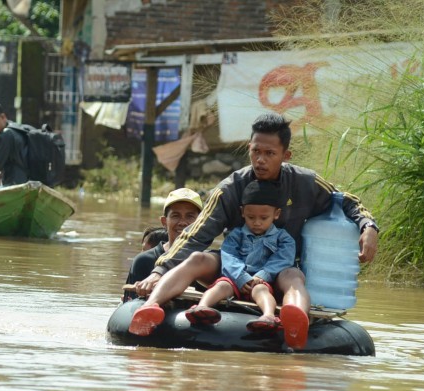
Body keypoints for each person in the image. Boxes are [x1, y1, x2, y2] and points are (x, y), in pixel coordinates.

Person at [128, 113, 379, 349]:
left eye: (270, 153)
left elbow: (345, 200)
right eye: (255, 151)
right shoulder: (230, 188)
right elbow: (196, 234)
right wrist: (160, 270)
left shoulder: (305, 183)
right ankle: (151, 307)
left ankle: (296, 321)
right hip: (233, 265)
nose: (260, 160)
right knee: (197, 258)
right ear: (249, 147)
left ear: (286, 154)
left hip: (278, 270)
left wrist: (368, 225)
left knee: (294, 276)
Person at [183, 179, 295, 332]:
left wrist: (263, 275)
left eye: (263, 218)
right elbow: (229, 256)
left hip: (260, 281)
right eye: (251, 217)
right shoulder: (236, 235)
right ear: (243, 213)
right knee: (221, 285)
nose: (256, 223)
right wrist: (240, 276)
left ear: (276, 214)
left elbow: (283, 259)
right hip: (234, 279)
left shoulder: (283, 238)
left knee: (261, 291)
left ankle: (269, 315)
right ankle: (202, 307)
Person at [122, 188, 203, 302]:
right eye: (176, 215)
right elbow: (129, 307)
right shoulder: (144, 261)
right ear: (164, 222)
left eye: (190, 216)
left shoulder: (206, 264)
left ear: (201, 222)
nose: (183, 222)